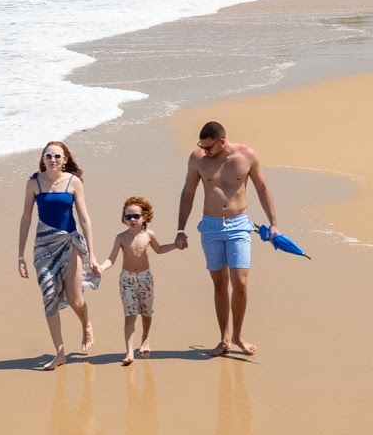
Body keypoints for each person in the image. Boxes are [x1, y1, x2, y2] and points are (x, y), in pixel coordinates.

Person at [172, 119, 277, 359]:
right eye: (202, 147)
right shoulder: (198, 159)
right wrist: (180, 229)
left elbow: (262, 188)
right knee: (219, 283)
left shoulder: (246, 156)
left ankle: (239, 335)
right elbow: (188, 192)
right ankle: (224, 338)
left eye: (209, 147)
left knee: (239, 282)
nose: (205, 151)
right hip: (210, 226)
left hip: (239, 224)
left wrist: (274, 224)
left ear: (221, 141)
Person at [17, 140, 97, 369]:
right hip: (43, 245)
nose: (52, 160)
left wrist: (91, 254)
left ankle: (86, 324)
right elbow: (25, 218)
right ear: (43, 159)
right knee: (49, 296)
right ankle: (60, 354)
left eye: (57, 156)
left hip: (69, 242)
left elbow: (84, 218)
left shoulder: (74, 182)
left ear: (65, 159)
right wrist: (20, 256)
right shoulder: (34, 183)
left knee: (75, 299)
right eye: (48, 156)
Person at [106, 196, 185, 365]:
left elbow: (159, 249)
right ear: (124, 219)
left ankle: (145, 338)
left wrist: (175, 245)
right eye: (128, 217)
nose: (132, 220)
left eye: (136, 216)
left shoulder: (149, 234)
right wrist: (100, 267)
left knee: (146, 312)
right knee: (130, 314)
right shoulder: (121, 237)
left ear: (145, 217)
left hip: (145, 278)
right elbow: (111, 259)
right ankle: (129, 351)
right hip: (127, 279)